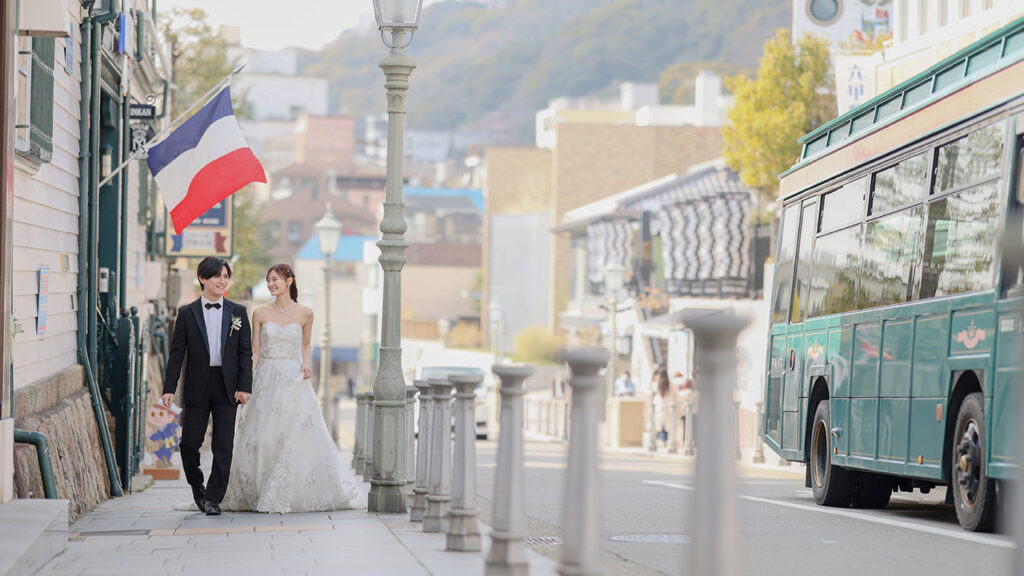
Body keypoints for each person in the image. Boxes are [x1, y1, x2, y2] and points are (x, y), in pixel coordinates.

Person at [221, 263, 363, 513]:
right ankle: (259, 489)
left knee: (294, 433)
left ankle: (286, 490)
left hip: (293, 378)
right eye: (268, 280)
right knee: (263, 437)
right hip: (266, 377)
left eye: (275, 279)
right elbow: (255, 350)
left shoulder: (306, 313)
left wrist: (306, 365)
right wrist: (247, 380)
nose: (271, 284)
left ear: (290, 281)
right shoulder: (260, 313)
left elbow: (306, 345)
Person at [162, 257, 253, 516]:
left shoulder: (238, 312)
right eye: (217, 276)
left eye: (226, 276)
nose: (223, 281)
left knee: (223, 445)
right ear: (203, 279)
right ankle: (197, 487)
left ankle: (213, 498)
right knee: (189, 444)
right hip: (197, 386)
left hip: (228, 387)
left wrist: (245, 386)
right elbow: (177, 354)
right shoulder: (187, 313)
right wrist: (169, 388)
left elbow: (245, 353)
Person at [652, 369, 678, 447]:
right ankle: (665, 439)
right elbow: (675, 395)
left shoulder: (657, 384)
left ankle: (661, 439)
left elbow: (652, 391)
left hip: (659, 406)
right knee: (667, 424)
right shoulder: (671, 384)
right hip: (669, 406)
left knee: (661, 424)